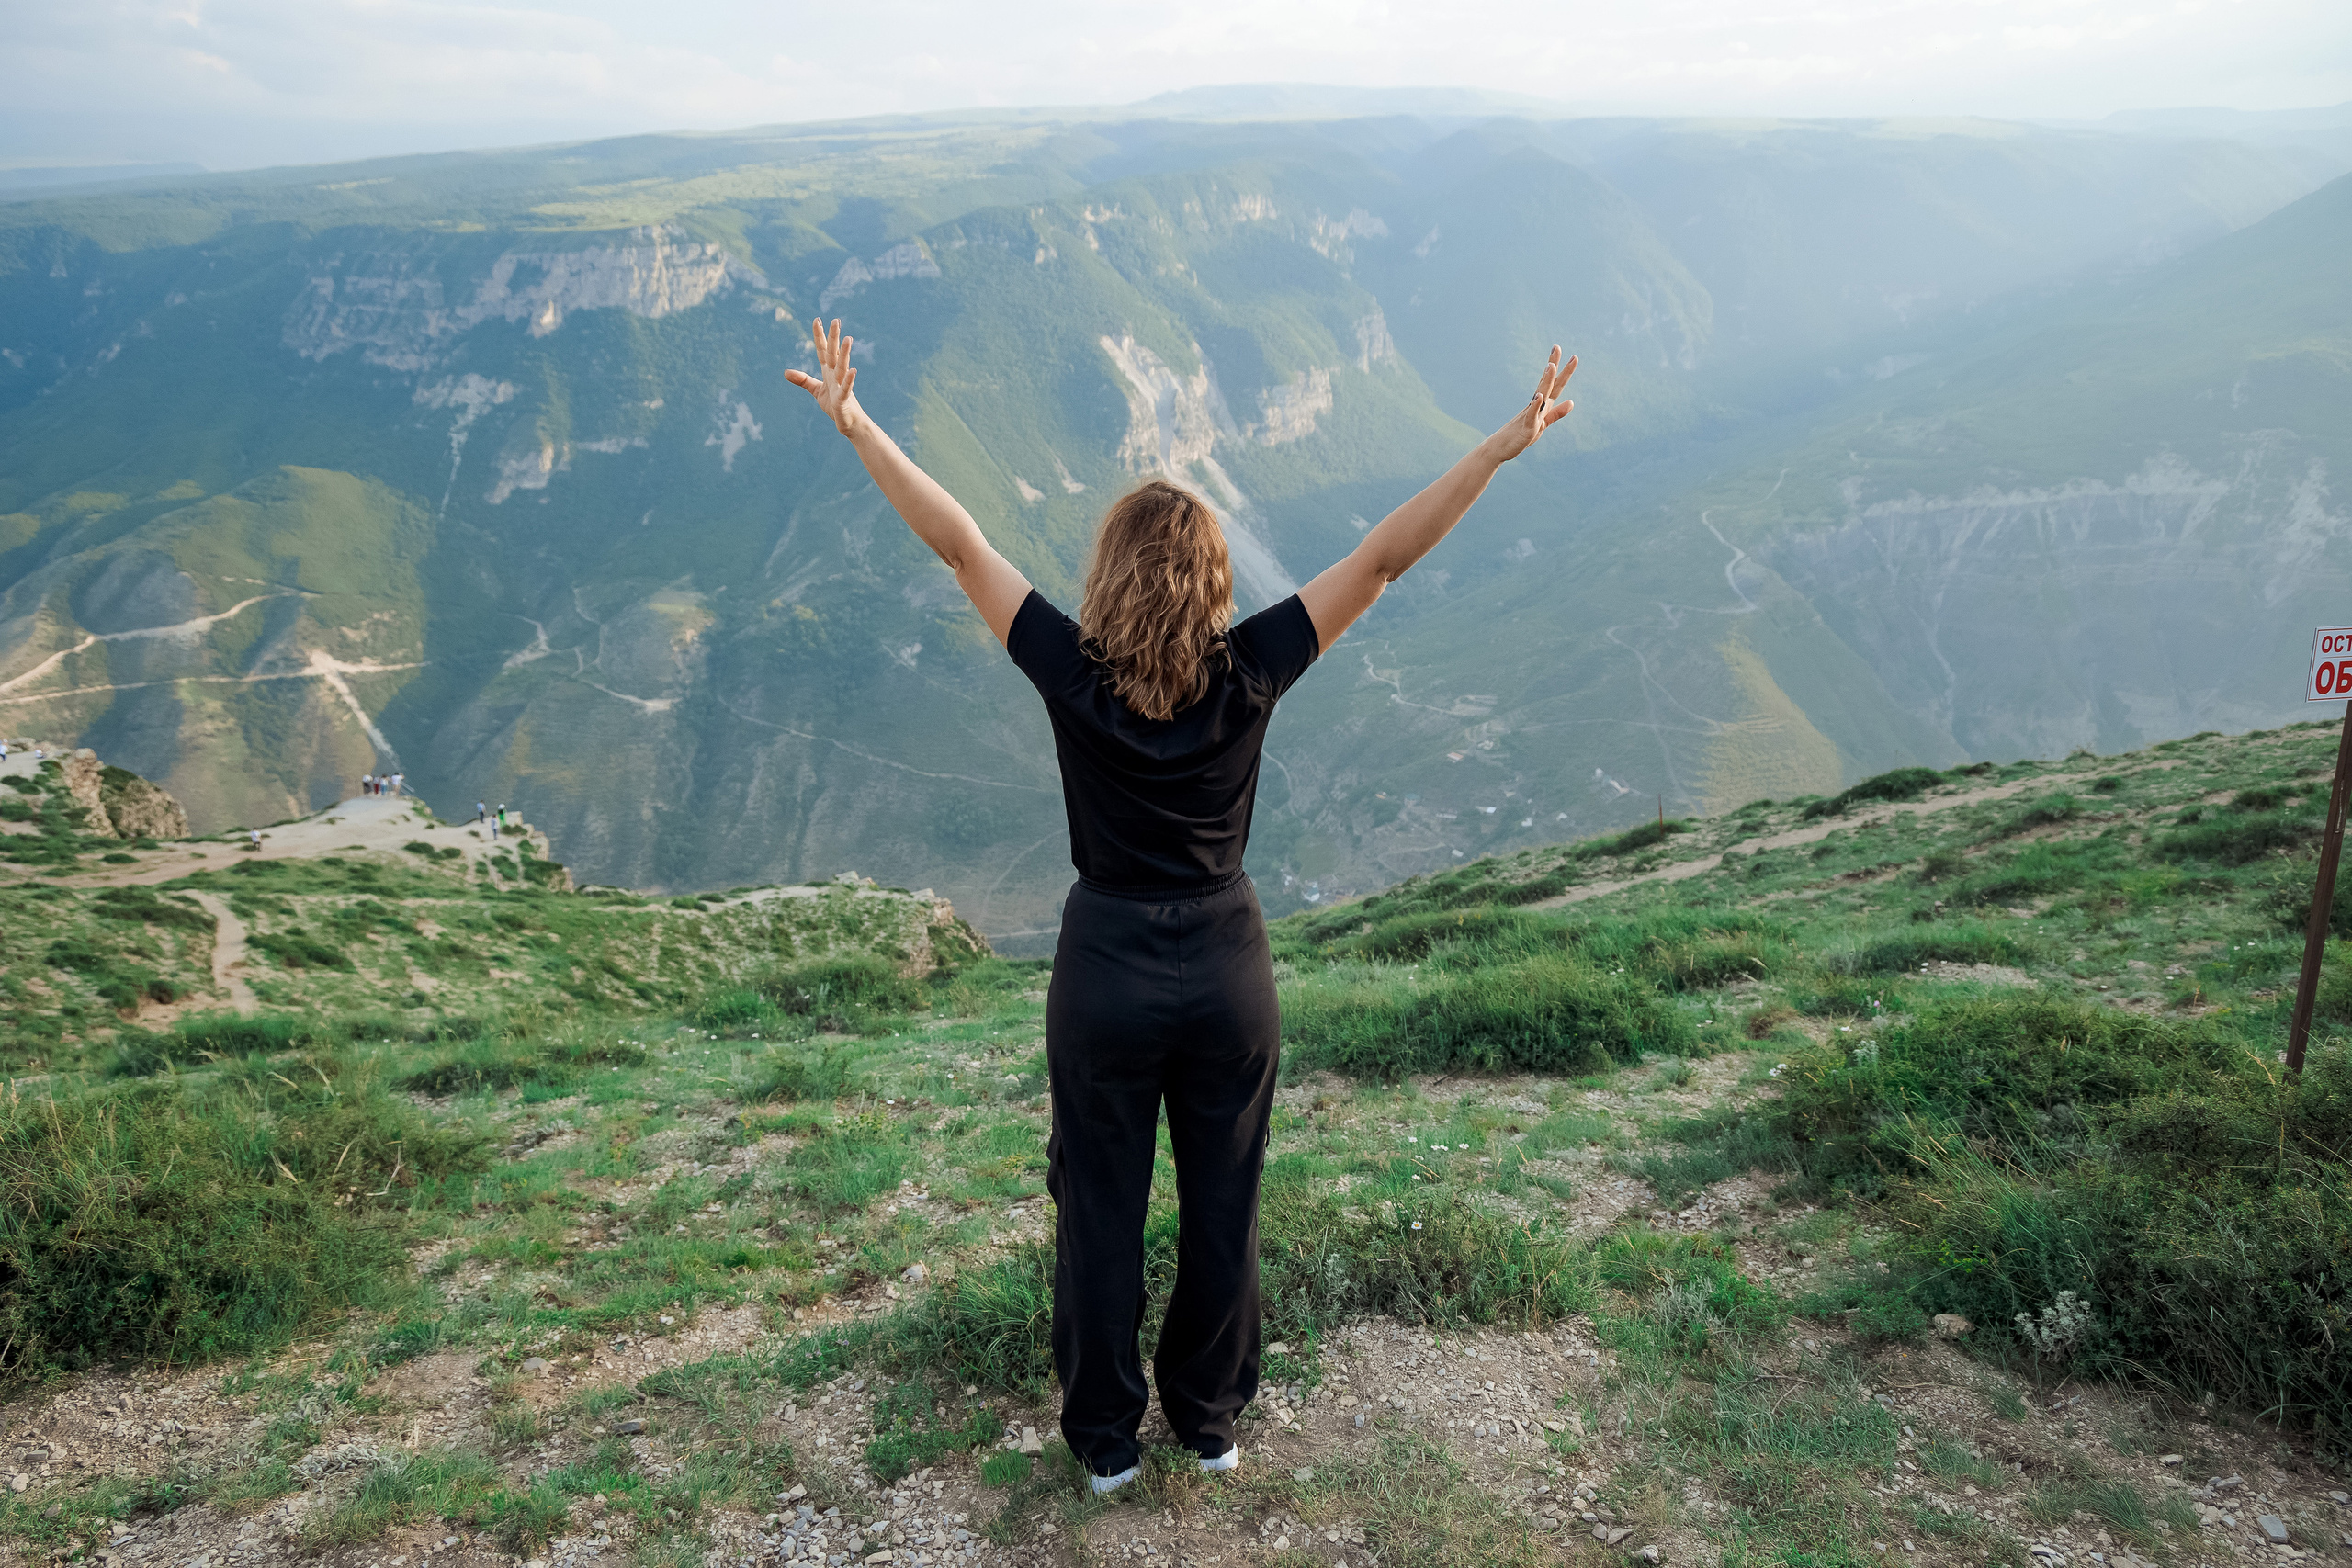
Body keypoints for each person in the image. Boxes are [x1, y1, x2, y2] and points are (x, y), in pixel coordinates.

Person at [786, 314, 1576, 1495]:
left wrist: (859, 428)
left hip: (1102, 963)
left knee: (1097, 1206)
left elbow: (958, 543)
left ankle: (1106, 1445)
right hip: (1225, 965)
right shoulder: (1254, 666)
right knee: (1224, 1199)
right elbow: (1381, 560)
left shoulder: (1067, 666)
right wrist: (1494, 449)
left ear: (1106, 574)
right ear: (1214, 576)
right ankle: (1207, 1420)